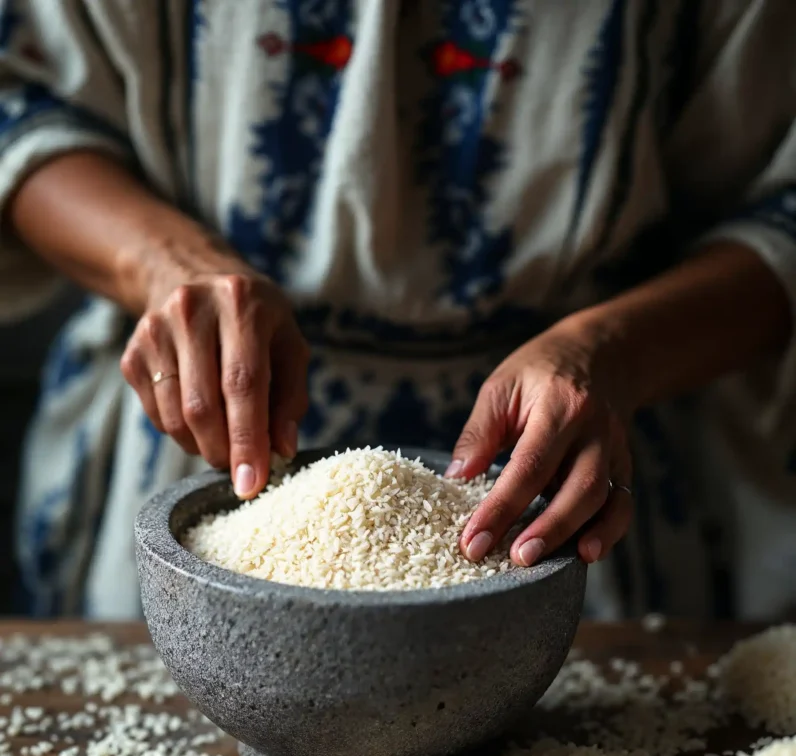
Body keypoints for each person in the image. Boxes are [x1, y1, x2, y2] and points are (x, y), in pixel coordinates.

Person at [1, 0, 795, 620]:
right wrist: (166, 264)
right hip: (193, 422)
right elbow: (17, 96)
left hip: (582, 474)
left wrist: (609, 352)